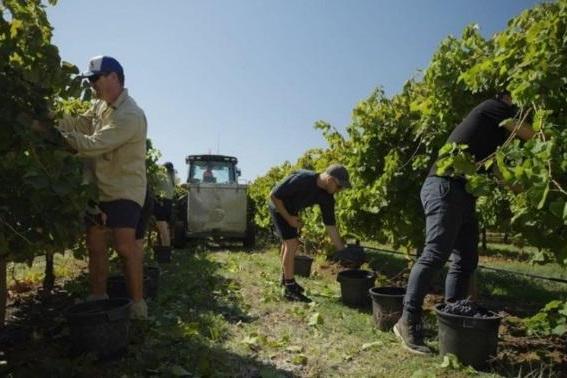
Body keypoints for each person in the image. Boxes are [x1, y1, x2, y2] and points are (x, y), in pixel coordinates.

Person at [394, 91, 534, 354]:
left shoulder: (495, 138)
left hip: (463, 192)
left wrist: (526, 194)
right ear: (506, 96)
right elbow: (527, 132)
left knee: (467, 258)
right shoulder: (495, 107)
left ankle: (453, 319)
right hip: (445, 185)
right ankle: (407, 321)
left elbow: (498, 171)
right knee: (435, 254)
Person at [54, 56, 149, 319]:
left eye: (96, 79)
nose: (92, 85)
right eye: (91, 80)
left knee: (123, 246)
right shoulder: (99, 107)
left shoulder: (131, 115)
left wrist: (56, 138)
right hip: (96, 188)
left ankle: (138, 306)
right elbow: (77, 124)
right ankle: (98, 299)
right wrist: (49, 118)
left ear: (115, 78)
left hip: (124, 189)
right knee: (95, 244)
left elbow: (95, 143)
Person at [269, 164, 351, 302]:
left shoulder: (327, 197)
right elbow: (274, 196)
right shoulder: (303, 179)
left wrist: (342, 251)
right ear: (330, 180)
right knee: (291, 243)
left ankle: (285, 279)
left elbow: (330, 225)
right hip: (278, 206)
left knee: (289, 243)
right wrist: (289, 219)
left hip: (292, 210)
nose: (340, 190)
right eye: (339, 187)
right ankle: (289, 288)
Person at [154, 162, 176, 247]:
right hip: (168, 203)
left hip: (161, 201)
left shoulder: (161, 175)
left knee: (162, 228)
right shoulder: (172, 177)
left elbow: (151, 181)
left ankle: (165, 250)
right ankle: (165, 248)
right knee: (164, 228)